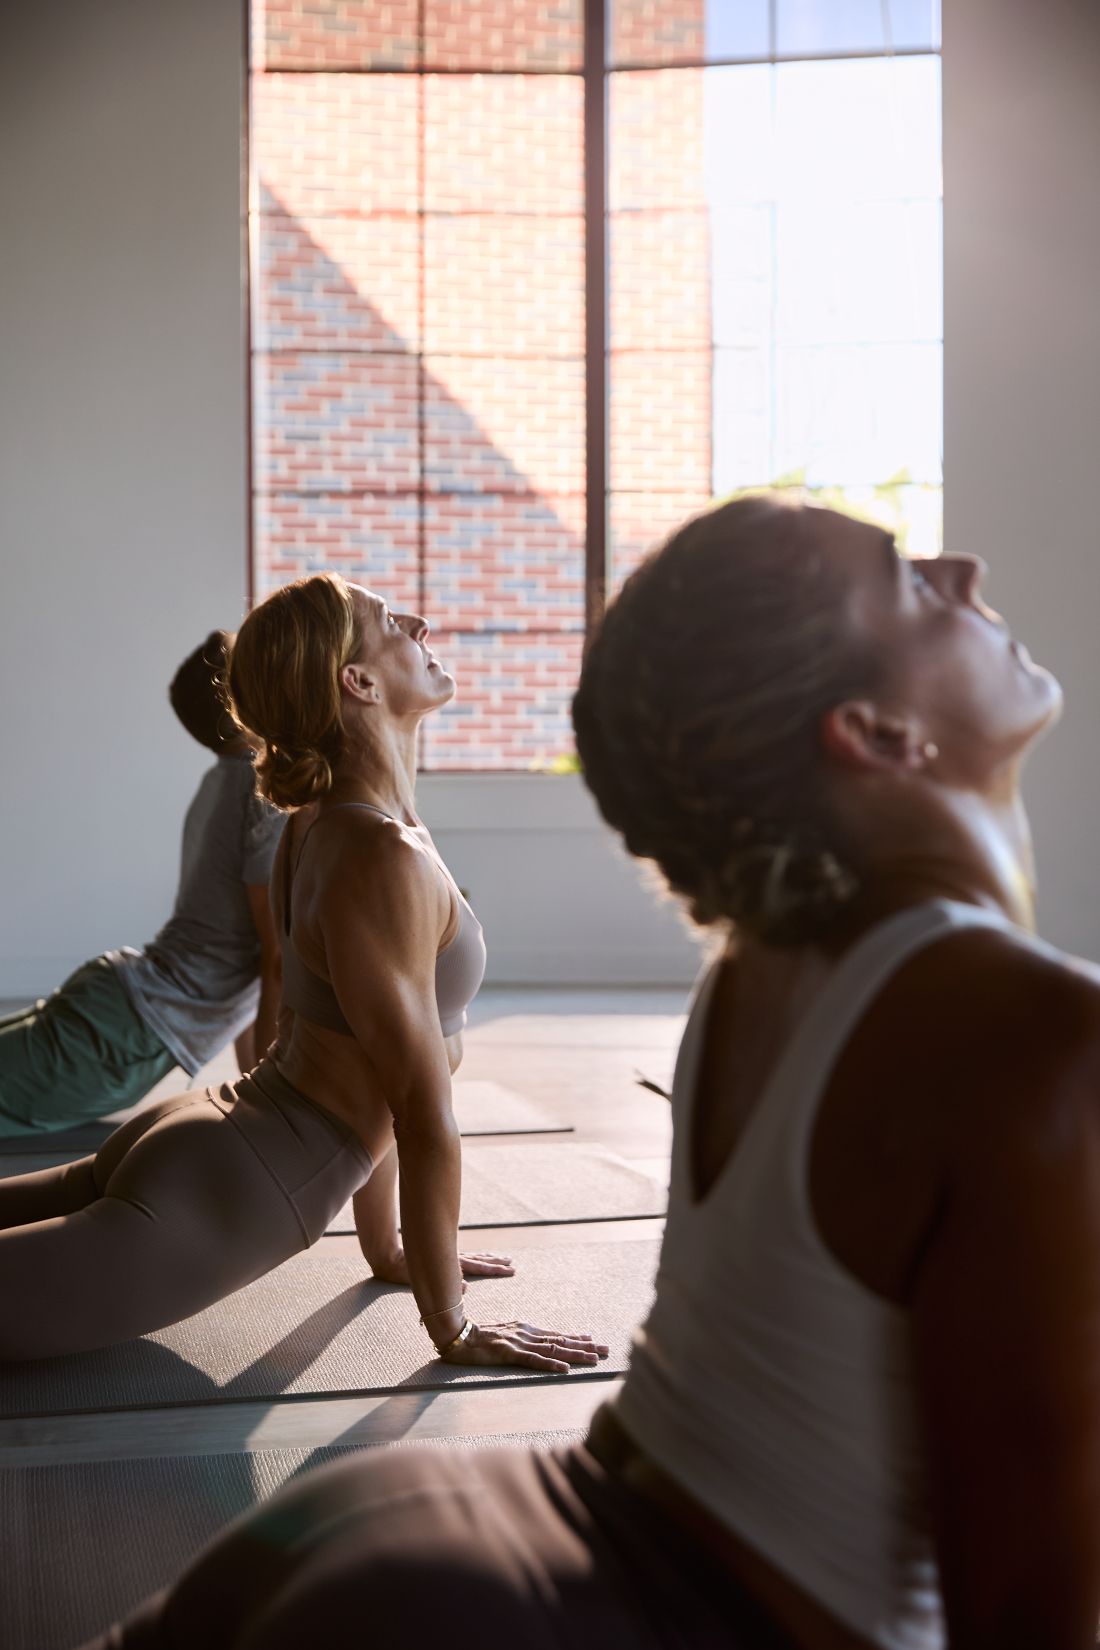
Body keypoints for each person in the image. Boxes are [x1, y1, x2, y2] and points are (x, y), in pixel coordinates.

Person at [81, 496, 1100, 1650]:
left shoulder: (757, 972)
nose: (960, 566)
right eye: (910, 582)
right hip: (547, 1603)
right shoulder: (1033, 1034)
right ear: (871, 730)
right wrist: (437, 1302)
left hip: (430, 1544)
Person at [0, 576, 603, 1371]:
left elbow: (369, 1061)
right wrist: (451, 1326)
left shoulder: (332, 824)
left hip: (216, 1139)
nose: (420, 623)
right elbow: (422, 1115)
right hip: (230, 1189)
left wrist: (387, 1249)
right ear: (358, 681)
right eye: (392, 622)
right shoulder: (379, 853)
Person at [0, 631, 284, 1137]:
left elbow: (259, 976)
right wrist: (276, 1127)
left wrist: (255, 1099)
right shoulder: (262, 791)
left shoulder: (224, 781)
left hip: (121, 1015)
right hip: (122, 1031)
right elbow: (275, 963)